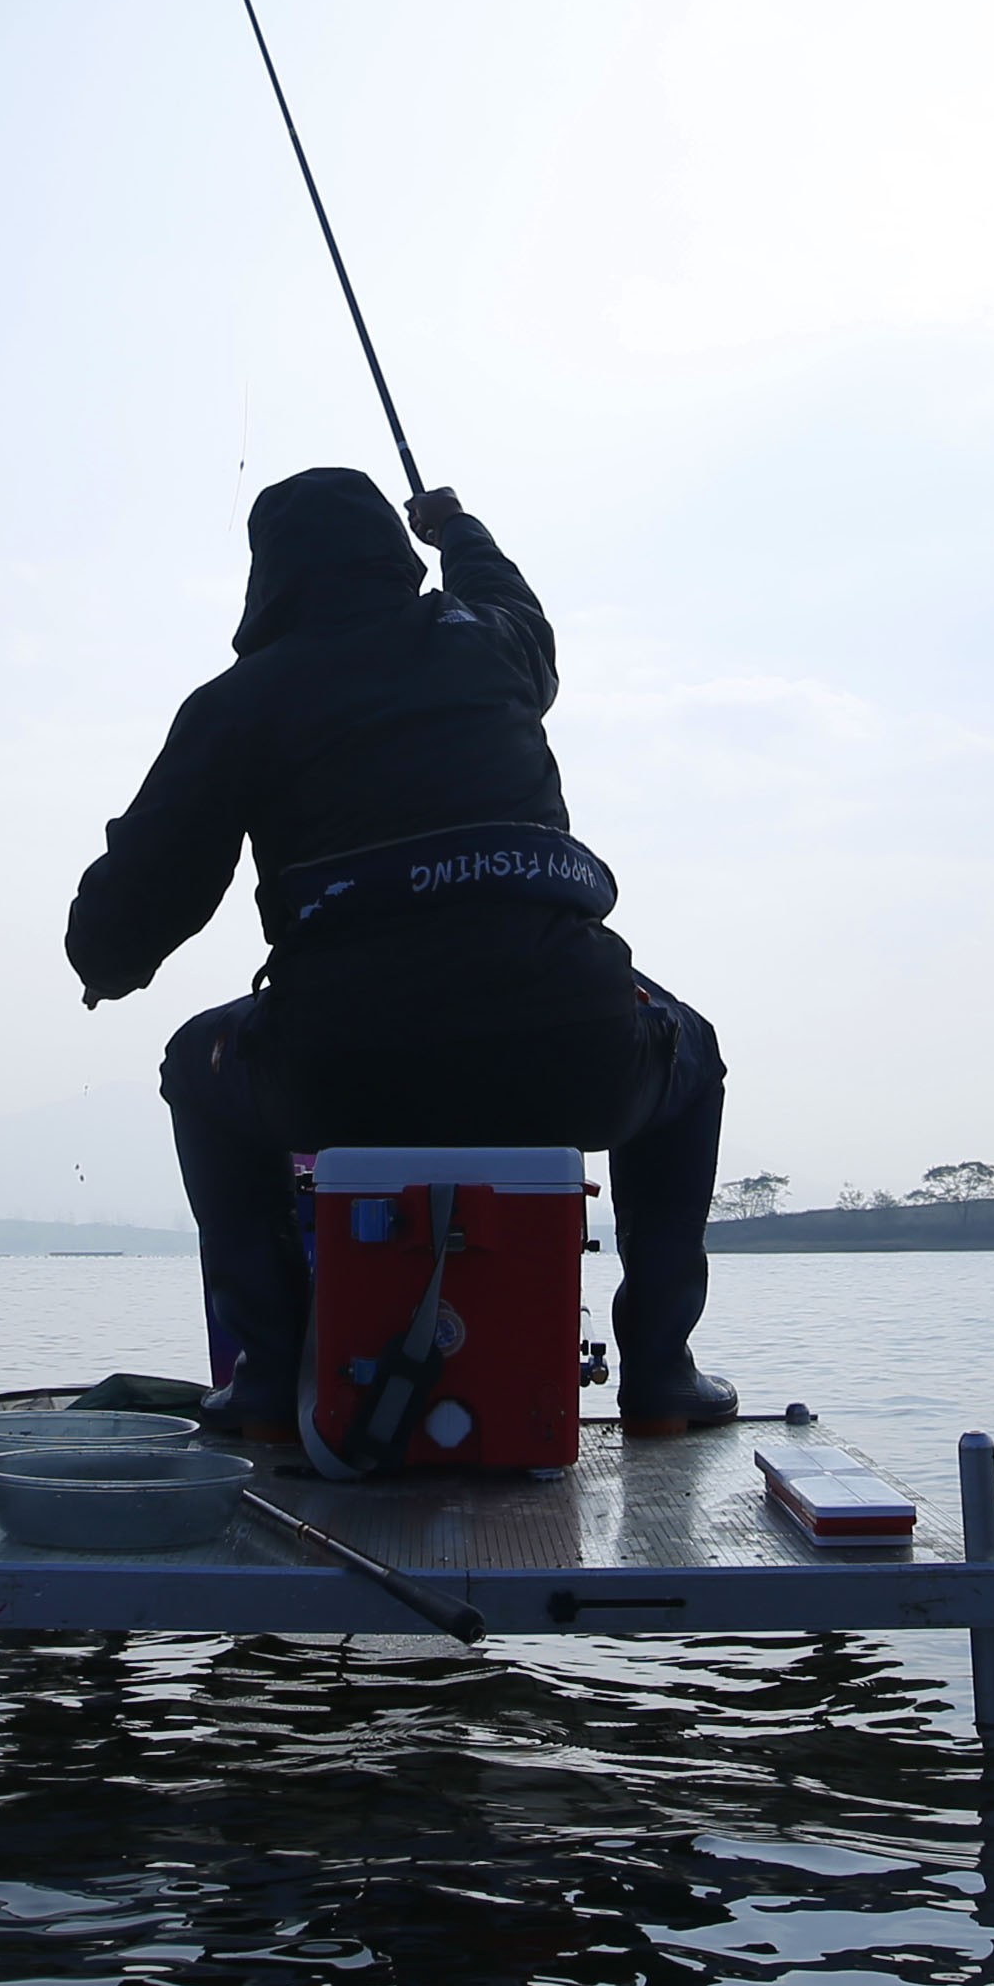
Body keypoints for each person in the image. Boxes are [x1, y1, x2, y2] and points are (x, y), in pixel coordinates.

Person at [70, 468, 734, 1441]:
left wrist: (103, 961)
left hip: (342, 1076)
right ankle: (661, 1371)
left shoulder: (239, 701)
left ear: (266, 578)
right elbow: (517, 606)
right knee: (693, 1050)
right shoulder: (489, 645)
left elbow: (126, 924)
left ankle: (268, 1377)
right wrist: (456, 527)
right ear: (393, 550)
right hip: (572, 1061)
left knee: (192, 1064)